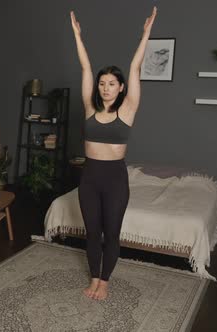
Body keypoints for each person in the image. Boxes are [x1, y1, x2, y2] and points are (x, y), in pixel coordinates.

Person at [70, 7, 157, 300]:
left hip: (115, 178)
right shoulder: (90, 108)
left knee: (112, 232)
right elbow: (85, 68)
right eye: (102, 83)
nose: (106, 88)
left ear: (121, 89)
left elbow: (134, 68)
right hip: (90, 176)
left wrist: (146, 34)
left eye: (112, 84)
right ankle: (94, 277)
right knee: (92, 232)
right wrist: (77, 36)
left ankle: (104, 282)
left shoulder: (128, 110)